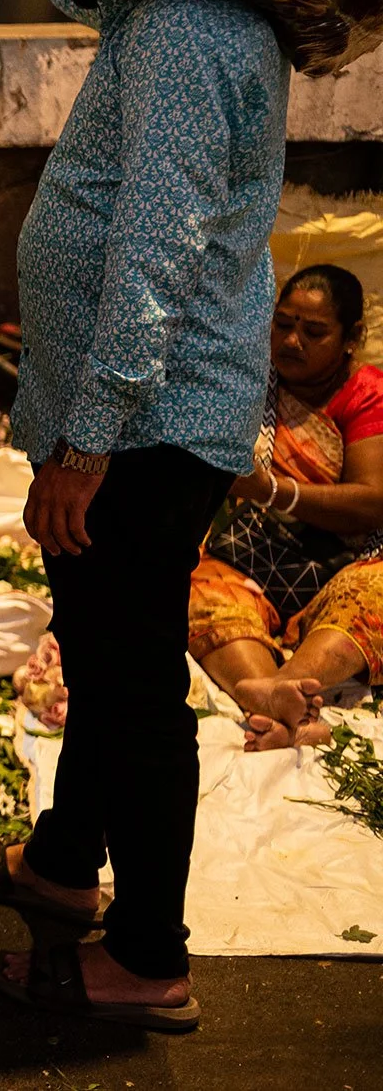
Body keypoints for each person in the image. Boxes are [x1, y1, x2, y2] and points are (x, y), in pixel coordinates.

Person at [0, 0, 291, 1036]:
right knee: (103, 652)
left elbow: (151, 248)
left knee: (135, 681)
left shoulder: (186, 33)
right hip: (135, 415)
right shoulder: (163, 12)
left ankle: (147, 957)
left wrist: (85, 439)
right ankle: (61, 857)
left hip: (142, 427)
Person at [189, 264, 383, 747]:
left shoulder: (366, 394)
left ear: (350, 337)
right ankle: (280, 704)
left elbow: (373, 502)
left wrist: (272, 490)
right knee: (198, 588)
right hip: (252, 558)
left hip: (343, 568)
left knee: (376, 594)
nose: (292, 341)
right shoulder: (250, 378)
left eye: (313, 331)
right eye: (283, 324)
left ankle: (282, 691)